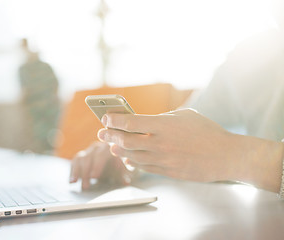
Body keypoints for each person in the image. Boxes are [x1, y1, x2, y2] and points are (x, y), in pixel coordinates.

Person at [69, 0, 284, 197]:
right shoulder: (253, 55)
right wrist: (133, 155)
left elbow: (212, 149)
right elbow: (184, 140)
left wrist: (234, 156)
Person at [19, 39, 60, 154]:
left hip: (48, 108)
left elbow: (55, 85)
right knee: (38, 137)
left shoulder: (45, 67)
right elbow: (24, 91)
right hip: (35, 109)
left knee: (49, 137)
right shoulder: (23, 69)